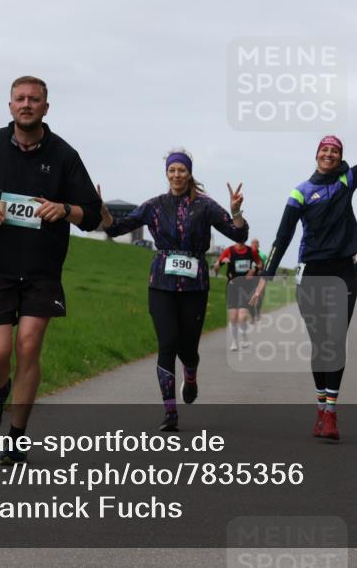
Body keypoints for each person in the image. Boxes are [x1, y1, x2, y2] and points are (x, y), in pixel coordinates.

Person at [251, 83, 357, 441]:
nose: (329, 154)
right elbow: (282, 237)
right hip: (311, 273)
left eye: (334, 150)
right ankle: (321, 407)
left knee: (334, 341)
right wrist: (265, 277)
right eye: (324, 150)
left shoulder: (348, 180)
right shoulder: (300, 192)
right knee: (320, 345)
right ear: (317, 155)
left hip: (343, 272)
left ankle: (330, 414)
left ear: (339, 156)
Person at [0, 76, 102, 465]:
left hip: (41, 270)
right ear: (10, 105)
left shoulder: (64, 155)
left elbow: (90, 215)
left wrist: (63, 209)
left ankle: (16, 436)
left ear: (46, 107)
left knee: (29, 347)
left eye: (34, 99)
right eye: (20, 98)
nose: (27, 104)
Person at [100, 149, 248, 431]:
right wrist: (103, 211)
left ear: (189, 173)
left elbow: (238, 234)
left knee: (188, 349)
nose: (177, 175)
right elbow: (116, 229)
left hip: (194, 286)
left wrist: (236, 211)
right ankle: (170, 412)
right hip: (162, 284)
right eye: (172, 170)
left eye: (182, 170)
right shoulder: (154, 206)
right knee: (167, 343)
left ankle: (190, 374)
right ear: (166, 173)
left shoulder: (205, 206)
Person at [213, 240, 263, 350]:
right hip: (232, 286)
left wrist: (254, 270)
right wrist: (220, 263)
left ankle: (244, 338)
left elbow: (260, 263)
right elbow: (215, 268)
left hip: (247, 287)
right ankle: (234, 342)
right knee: (233, 317)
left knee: (242, 317)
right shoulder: (229, 251)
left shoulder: (251, 251)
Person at [250, 238, 268, 321]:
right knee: (250, 296)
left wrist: (262, 271)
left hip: (261, 279)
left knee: (260, 296)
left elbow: (266, 266)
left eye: (256, 243)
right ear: (251, 245)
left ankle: (258, 311)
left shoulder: (263, 255)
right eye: (253, 243)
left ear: (258, 245)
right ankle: (252, 316)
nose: (254, 244)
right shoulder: (248, 254)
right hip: (250, 279)